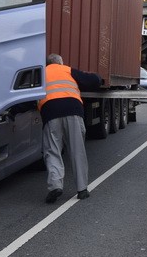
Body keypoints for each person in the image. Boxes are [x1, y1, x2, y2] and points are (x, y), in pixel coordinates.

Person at [39, 53, 102, 204]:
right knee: (77, 150)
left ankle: (55, 186)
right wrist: (99, 78)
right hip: (73, 110)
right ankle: (82, 190)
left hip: (50, 112)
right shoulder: (68, 70)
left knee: (52, 151)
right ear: (60, 63)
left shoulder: (40, 74)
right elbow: (93, 81)